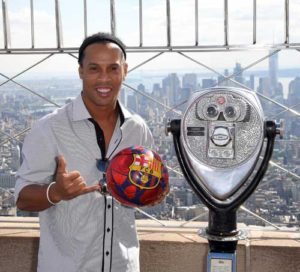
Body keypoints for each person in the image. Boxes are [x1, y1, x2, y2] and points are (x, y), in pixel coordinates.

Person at [15, 32, 154, 272]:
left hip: (124, 265)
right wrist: (55, 192)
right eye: (93, 69)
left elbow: (143, 190)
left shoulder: (137, 128)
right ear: (80, 71)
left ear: (125, 70)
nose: (104, 79)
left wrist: (151, 189)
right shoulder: (49, 128)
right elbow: (22, 198)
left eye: (113, 68)